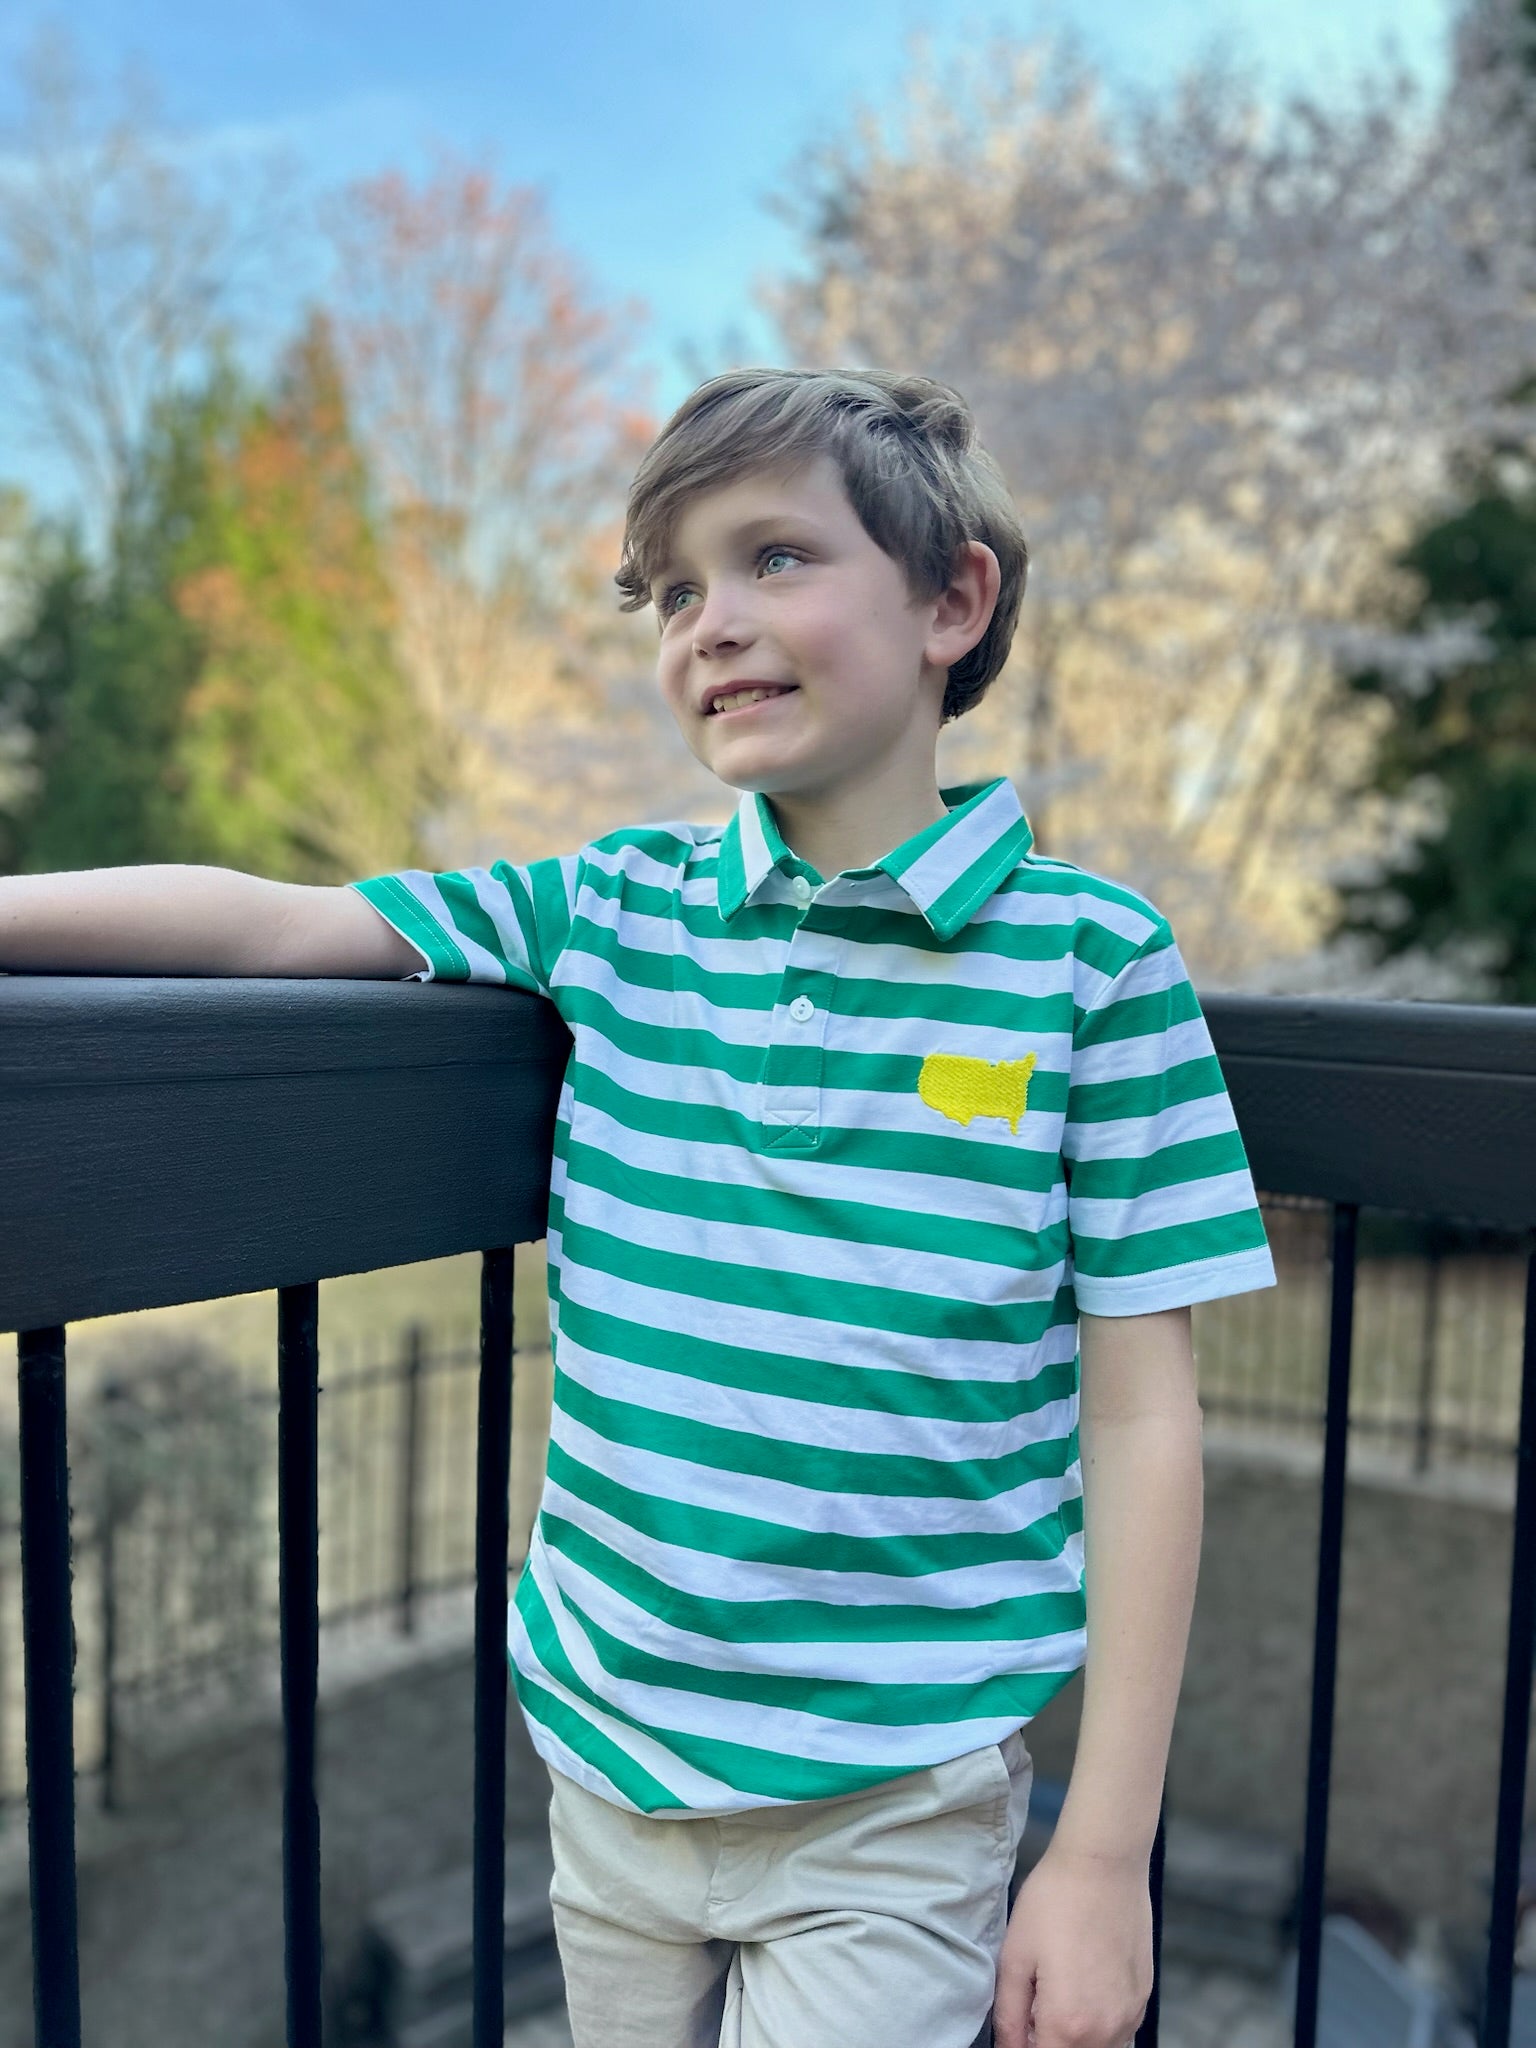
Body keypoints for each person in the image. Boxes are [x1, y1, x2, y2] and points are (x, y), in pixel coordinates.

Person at [0, 366, 1276, 2048]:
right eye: (672, 591)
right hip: (605, 1760)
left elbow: (1143, 1416)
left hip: (893, 1800)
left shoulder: (1093, 964)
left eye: (774, 558)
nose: (710, 622)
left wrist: (1101, 1856)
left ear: (952, 603)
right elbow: (282, 927)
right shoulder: (614, 908)